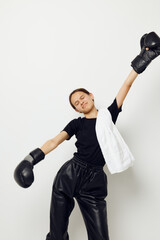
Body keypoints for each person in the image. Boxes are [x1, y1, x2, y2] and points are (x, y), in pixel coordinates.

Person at [14, 31, 160, 240]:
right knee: (57, 234)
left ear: (91, 96)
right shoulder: (77, 124)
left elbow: (126, 86)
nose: (81, 102)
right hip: (69, 175)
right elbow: (54, 141)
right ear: (76, 109)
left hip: (95, 181)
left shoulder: (108, 115)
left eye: (82, 97)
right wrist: (30, 159)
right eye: (76, 103)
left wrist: (144, 59)